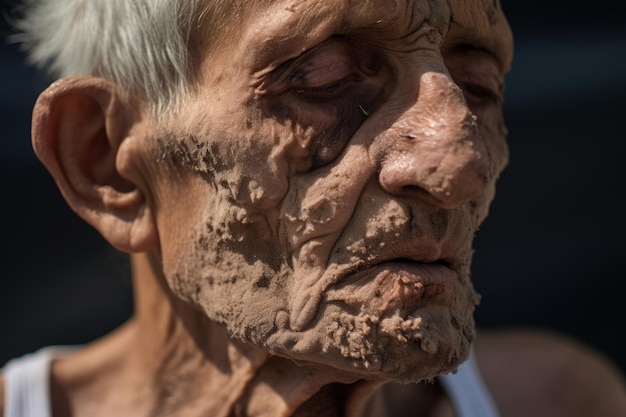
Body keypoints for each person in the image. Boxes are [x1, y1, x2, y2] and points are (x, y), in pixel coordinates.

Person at [1, 0, 625, 416]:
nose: (457, 166)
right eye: (323, 79)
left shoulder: (553, 399)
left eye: (478, 87)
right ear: (106, 161)